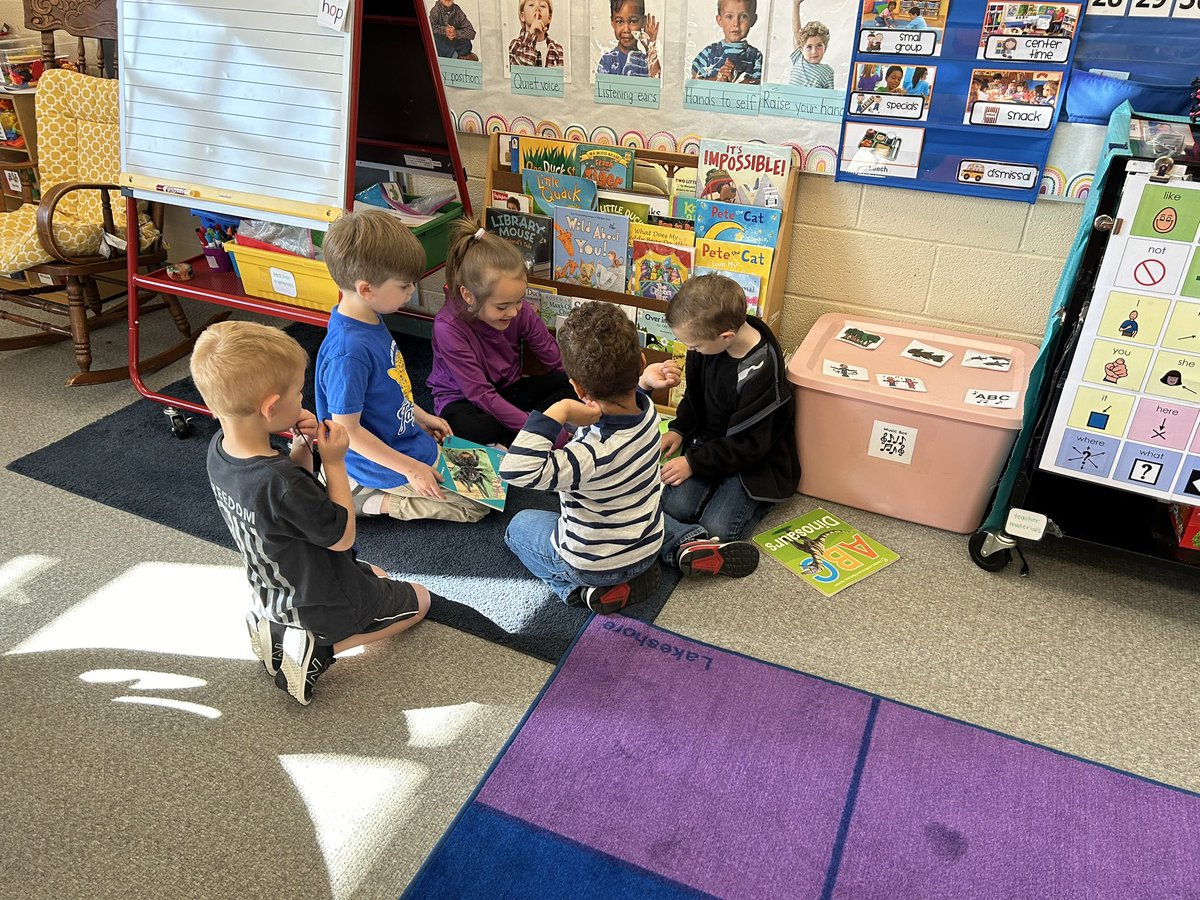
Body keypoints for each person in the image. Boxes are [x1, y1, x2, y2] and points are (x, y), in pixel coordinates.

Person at [191, 321, 432, 705]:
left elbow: (291, 509)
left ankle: (280, 627)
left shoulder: (220, 450)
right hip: (322, 597)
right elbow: (342, 537)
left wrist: (302, 450)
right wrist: (334, 462)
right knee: (420, 600)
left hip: (276, 588)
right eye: (299, 391)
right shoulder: (280, 482)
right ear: (271, 407)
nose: (304, 396)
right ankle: (321, 647)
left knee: (380, 574)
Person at [499, 301, 760, 616]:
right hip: (646, 545)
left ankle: (583, 591)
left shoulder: (583, 456)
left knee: (519, 526)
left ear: (578, 388)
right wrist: (646, 384)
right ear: (641, 362)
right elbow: (634, 397)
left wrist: (560, 410)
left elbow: (515, 470)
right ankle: (687, 543)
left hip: (594, 565)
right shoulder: (648, 412)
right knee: (645, 510)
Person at [315, 208, 488, 523]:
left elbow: (389, 387)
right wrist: (410, 469)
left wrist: (420, 416)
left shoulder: (368, 315)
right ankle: (365, 498)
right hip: (377, 462)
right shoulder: (348, 352)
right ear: (366, 289)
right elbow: (347, 431)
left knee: (493, 479)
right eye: (405, 286)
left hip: (404, 437)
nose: (412, 292)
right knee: (476, 506)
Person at [660, 274, 800, 542]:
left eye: (695, 345)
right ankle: (683, 542)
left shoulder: (760, 370)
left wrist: (693, 462)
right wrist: (680, 428)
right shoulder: (705, 345)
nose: (691, 350)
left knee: (719, 529)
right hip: (711, 444)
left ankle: (689, 540)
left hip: (752, 456)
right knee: (675, 507)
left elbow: (749, 444)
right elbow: (695, 395)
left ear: (726, 337)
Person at [427, 218, 574, 447]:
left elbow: (553, 357)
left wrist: (586, 390)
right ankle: (525, 429)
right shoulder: (448, 327)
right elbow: (481, 394)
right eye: (502, 307)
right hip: (464, 401)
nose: (514, 312)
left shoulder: (518, 309)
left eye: (519, 301)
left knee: (569, 382)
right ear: (469, 296)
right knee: (467, 429)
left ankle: (517, 433)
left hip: (508, 391)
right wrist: (539, 429)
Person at [690, 0, 762, 85]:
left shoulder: (755, 57)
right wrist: (717, 79)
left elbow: (758, 86)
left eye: (743, 16)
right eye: (729, 17)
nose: (736, 23)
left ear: (753, 20)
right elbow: (694, 83)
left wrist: (735, 79)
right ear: (720, 20)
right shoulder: (708, 53)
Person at [597, 0, 661, 78]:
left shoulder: (645, 61)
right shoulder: (608, 60)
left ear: (643, 22)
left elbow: (655, 81)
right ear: (613, 22)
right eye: (620, 22)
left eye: (633, 21)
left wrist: (651, 44)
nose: (626, 29)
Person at [508, 0, 563, 68]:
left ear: (549, 17)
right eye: (531, 5)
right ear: (522, 16)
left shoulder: (557, 49)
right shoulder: (515, 45)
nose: (537, 9)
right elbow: (522, 72)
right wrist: (531, 33)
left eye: (542, 6)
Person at [789, 14, 834, 90]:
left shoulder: (828, 72)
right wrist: (795, 4)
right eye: (809, 47)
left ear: (825, 48)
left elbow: (829, 99)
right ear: (801, 48)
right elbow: (796, 31)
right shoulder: (798, 58)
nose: (814, 51)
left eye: (819, 46)